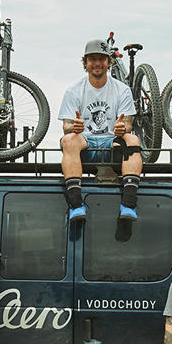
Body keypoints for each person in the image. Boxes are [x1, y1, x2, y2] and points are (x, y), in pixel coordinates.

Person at [58, 39, 143, 223]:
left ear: (109, 62)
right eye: (92, 59)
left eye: (102, 59)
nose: (97, 63)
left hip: (112, 145)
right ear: (85, 63)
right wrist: (75, 127)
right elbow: (66, 127)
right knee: (69, 140)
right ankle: (76, 204)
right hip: (85, 146)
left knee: (133, 140)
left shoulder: (122, 89)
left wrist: (123, 128)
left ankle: (128, 204)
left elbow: (128, 123)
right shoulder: (74, 90)